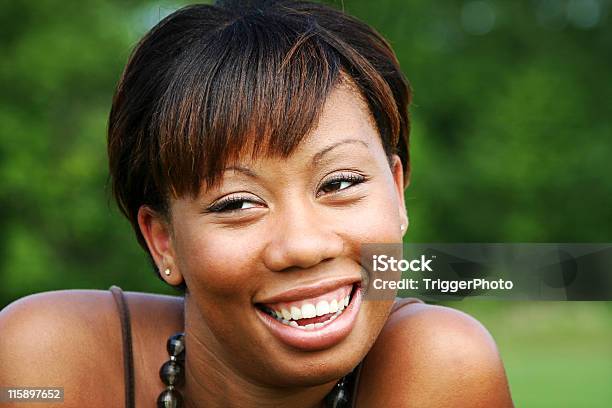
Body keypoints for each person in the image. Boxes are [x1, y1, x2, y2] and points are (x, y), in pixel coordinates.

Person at [0, 1, 513, 406]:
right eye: (238, 203)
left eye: (339, 184)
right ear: (163, 240)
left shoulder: (441, 361)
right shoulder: (47, 362)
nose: (303, 246)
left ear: (397, 192)